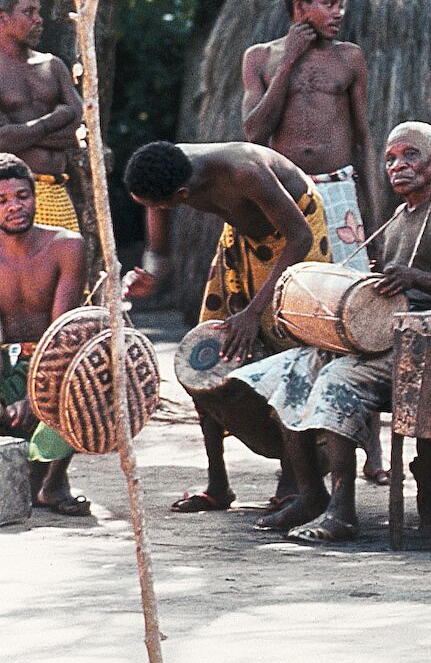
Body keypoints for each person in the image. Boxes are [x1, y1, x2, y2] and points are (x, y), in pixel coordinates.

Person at [229, 122, 431, 541]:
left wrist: (418, 279)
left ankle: (343, 510)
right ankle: (311, 495)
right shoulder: (398, 217)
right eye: (390, 158)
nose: (398, 165)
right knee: (290, 370)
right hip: (385, 338)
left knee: (338, 379)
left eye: (410, 155)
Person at [123, 140, 331, 512]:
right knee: (203, 360)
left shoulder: (244, 170)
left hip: (296, 239)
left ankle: (294, 475)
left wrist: (253, 312)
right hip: (241, 241)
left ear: (182, 195)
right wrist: (149, 278)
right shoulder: (162, 177)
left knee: (290, 355)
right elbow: (160, 255)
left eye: (156, 207)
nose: (152, 212)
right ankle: (218, 483)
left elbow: (300, 236)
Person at [242, 0, 379, 268]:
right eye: (329, 4)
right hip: (286, 192)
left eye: (340, 5)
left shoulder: (350, 58)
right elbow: (254, 133)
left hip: (339, 189)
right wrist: (289, 59)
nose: (339, 13)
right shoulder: (260, 57)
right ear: (300, 7)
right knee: (290, 289)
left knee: (347, 284)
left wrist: (373, 210)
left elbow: (363, 137)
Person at [0, 154, 88, 516]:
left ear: (36, 196)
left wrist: (36, 399)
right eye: (2, 201)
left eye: (22, 196)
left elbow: (62, 334)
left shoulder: (67, 246)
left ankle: (50, 483)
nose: (14, 207)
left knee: (92, 372)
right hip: (6, 362)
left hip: (53, 359)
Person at [0, 0, 84, 230]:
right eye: (29, 12)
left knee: (69, 261)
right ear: (3, 18)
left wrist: (22, 135)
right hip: (10, 198)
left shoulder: (53, 66)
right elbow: (2, 141)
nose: (39, 20)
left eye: (38, 11)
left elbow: (80, 129)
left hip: (57, 192)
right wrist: (54, 120)